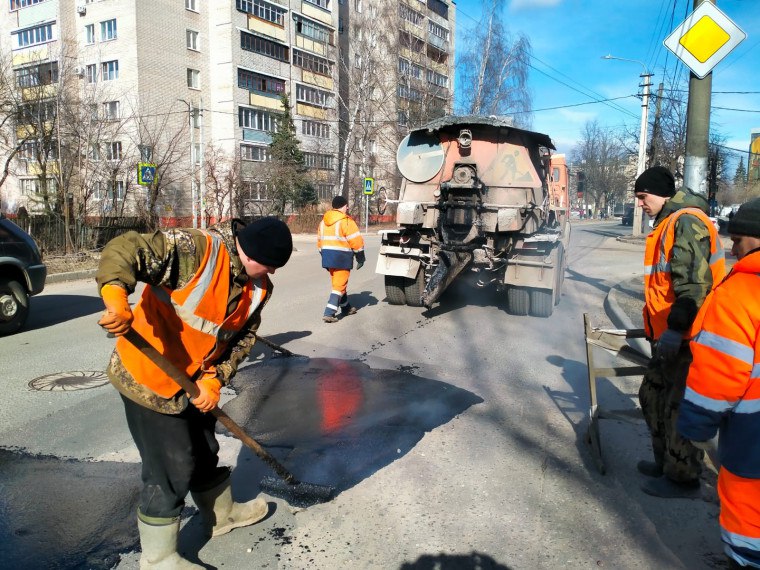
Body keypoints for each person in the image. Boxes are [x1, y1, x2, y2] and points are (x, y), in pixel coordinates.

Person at [96, 217, 292, 569]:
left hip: (195, 378)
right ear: (248, 252)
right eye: (270, 264)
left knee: (204, 448)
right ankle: (158, 559)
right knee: (169, 467)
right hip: (147, 376)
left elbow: (242, 338)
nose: (272, 273)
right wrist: (116, 297)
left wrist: (215, 380)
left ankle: (222, 516)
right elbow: (125, 249)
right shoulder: (195, 250)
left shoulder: (259, 285)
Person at [677, 198, 760, 569]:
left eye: (738, 239)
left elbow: (719, 373)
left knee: (749, 518)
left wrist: (695, 424)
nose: (731, 247)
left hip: (753, 440)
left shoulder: (740, 295)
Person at [634, 165, 725, 498]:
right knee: (652, 396)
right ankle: (666, 463)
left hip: (688, 337)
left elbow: (694, 286)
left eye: (643, 197)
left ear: (659, 194)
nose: (640, 204)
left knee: (676, 406)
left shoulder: (685, 222)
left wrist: (675, 330)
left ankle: (682, 478)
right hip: (671, 337)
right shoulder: (669, 223)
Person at [317, 195, 365, 323]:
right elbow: (356, 241)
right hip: (342, 258)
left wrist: (325, 257)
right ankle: (329, 312)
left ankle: (346, 308)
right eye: (346, 205)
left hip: (328, 258)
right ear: (343, 206)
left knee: (339, 283)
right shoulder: (346, 221)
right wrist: (361, 257)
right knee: (339, 286)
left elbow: (319, 242)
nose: (347, 207)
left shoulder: (323, 222)